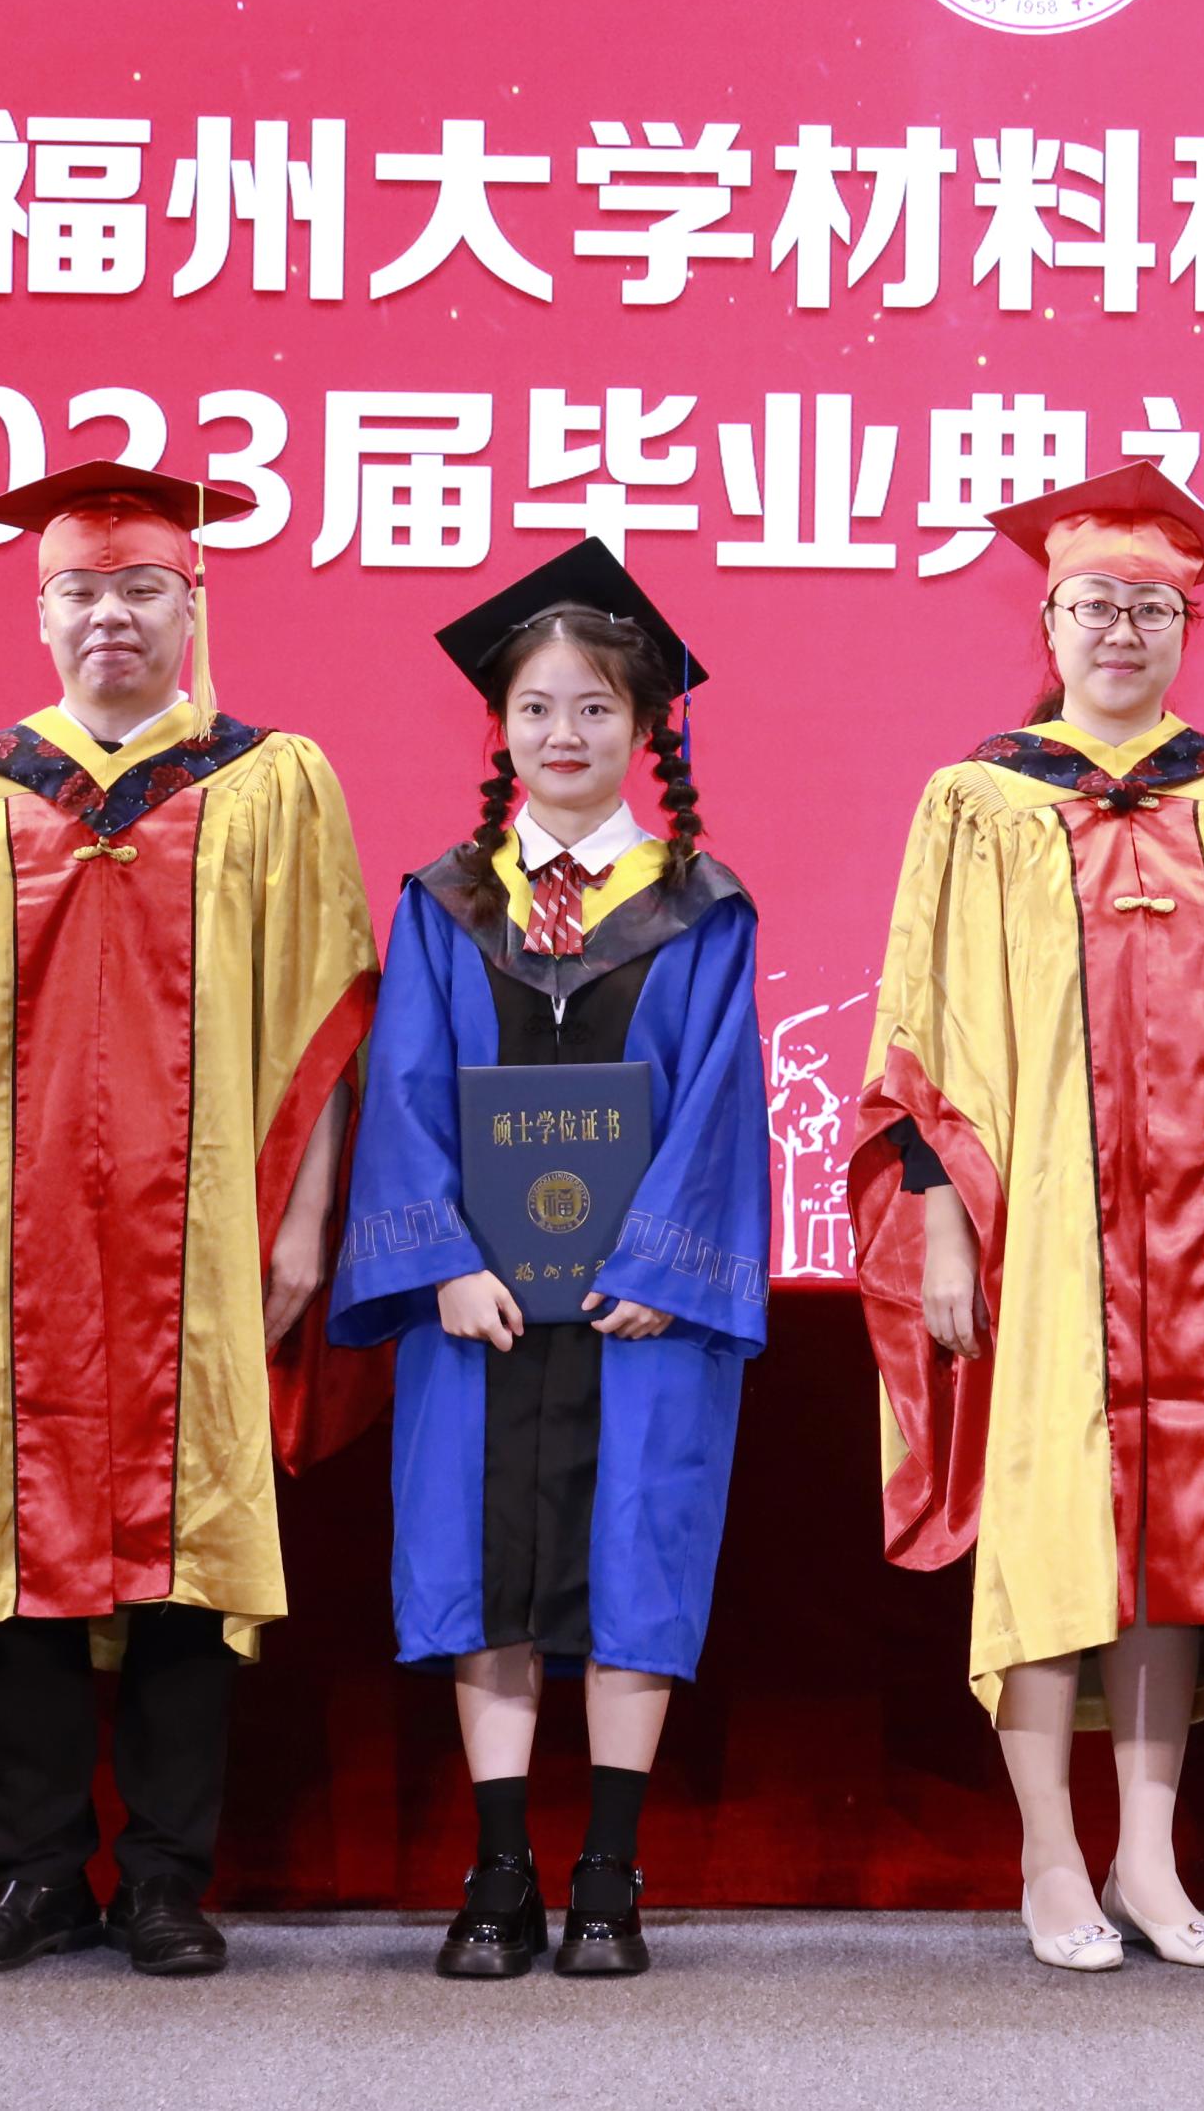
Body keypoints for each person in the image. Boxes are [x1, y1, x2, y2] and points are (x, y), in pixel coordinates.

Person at [0, 459, 383, 1980]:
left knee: (187, 1553)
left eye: (142, 587)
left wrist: (306, 1221)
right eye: (82, 589)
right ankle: (38, 1875)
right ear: (42, 611)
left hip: (206, 1235)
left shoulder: (271, 783)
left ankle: (169, 1881)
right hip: (7, 1241)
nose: (111, 613)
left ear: (193, 604)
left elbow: (329, 1022)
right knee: (17, 1551)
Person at [847, 461, 1204, 1972]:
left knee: (1179, 1539)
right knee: (1055, 1533)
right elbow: (919, 1032)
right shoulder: (978, 799)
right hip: (1043, 1236)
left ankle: (1149, 1858)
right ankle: (1048, 1852)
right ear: (1046, 622)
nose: (1120, 629)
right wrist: (941, 1224)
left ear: (1192, 627)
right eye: (1093, 603)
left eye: (1151, 606)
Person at [330, 541, 770, 1981]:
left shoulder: (703, 909)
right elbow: (402, 1093)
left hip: (643, 1311)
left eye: (594, 708)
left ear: (646, 730)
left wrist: (665, 1268)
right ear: (501, 727)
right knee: (483, 1567)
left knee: (636, 1559)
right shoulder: (445, 902)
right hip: (482, 1308)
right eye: (536, 708)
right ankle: (502, 1868)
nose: (563, 733)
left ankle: (610, 1876)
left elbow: (718, 1108)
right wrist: (443, 1262)